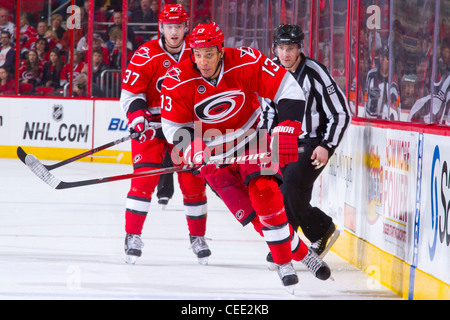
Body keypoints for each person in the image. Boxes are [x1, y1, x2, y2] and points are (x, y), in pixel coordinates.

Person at [160, 22, 331, 292]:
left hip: (251, 141)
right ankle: (303, 254)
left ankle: (283, 263)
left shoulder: (246, 61)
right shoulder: (176, 79)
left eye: (208, 54)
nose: (202, 61)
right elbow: (171, 126)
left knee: (266, 194)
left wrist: (286, 129)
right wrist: (193, 147)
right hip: (212, 157)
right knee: (258, 221)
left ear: (221, 51)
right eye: (197, 54)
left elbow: (289, 90)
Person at [119, 4, 211, 265]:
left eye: (178, 26)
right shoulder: (145, 54)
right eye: (169, 26)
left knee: (193, 184)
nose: (174, 31)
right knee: (143, 181)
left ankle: (197, 237)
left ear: (186, 27)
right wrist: (138, 118)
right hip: (152, 128)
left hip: (184, 128)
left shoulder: (197, 54)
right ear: (161, 27)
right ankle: (132, 235)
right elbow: (131, 94)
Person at [261, 24, 351, 259]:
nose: (285, 54)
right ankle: (322, 229)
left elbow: (341, 112)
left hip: (312, 144)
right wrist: (265, 141)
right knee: (278, 192)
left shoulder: (315, 72)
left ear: (300, 48)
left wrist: (326, 146)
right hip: (281, 144)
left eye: (290, 48)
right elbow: (268, 111)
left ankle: (282, 247)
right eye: (281, 48)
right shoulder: (272, 71)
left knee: (290, 188)